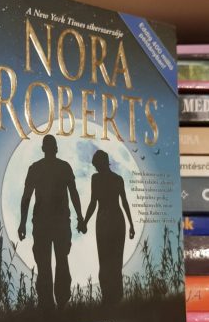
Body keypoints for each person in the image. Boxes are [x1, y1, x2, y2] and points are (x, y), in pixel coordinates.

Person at [18, 134, 84, 312]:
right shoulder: (62, 167)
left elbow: (26, 198)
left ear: (43, 149)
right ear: (55, 149)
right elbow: (74, 194)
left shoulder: (37, 168)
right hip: (54, 222)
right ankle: (58, 303)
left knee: (47, 263)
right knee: (57, 261)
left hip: (47, 223)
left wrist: (23, 223)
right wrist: (80, 217)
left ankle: (50, 304)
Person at [82, 149, 135, 305]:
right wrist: (85, 221)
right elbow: (93, 202)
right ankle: (109, 298)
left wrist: (131, 224)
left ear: (103, 163)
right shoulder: (107, 179)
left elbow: (124, 202)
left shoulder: (109, 179)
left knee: (112, 262)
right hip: (110, 221)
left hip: (109, 221)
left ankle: (115, 299)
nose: (96, 168)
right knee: (108, 262)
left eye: (97, 165)